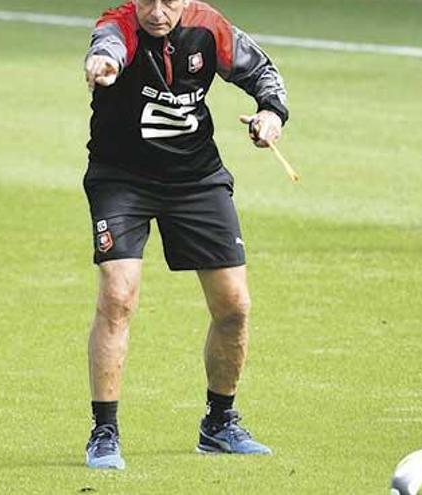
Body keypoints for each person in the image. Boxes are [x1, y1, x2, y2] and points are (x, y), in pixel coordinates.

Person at [82, 0, 289, 469]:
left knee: (234, 307)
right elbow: (107, 47)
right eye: (149, 0)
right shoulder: (119, 25)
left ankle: (219, 425)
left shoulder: (207, 25)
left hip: (196, 180)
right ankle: (104, 432)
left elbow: (261, 71)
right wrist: (104, 64)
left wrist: (271, 115)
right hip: (122, 180)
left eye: (169, 1)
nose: (157, 11)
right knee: (118, 296)